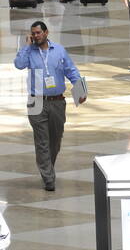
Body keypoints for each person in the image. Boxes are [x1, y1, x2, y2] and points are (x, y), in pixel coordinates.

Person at [12, 20, 85, 192]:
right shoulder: (30, 51)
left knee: (55, 140)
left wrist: (80, 90)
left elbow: (71, 70)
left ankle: (48, 167)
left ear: (46, 33)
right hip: (35, 100)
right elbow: (19, 64)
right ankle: (48, 178)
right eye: (33, 33)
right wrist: (27, 46)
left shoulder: (59, 50)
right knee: (42, 141)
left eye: (38, 33)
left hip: (57, 101)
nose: (36, 36)